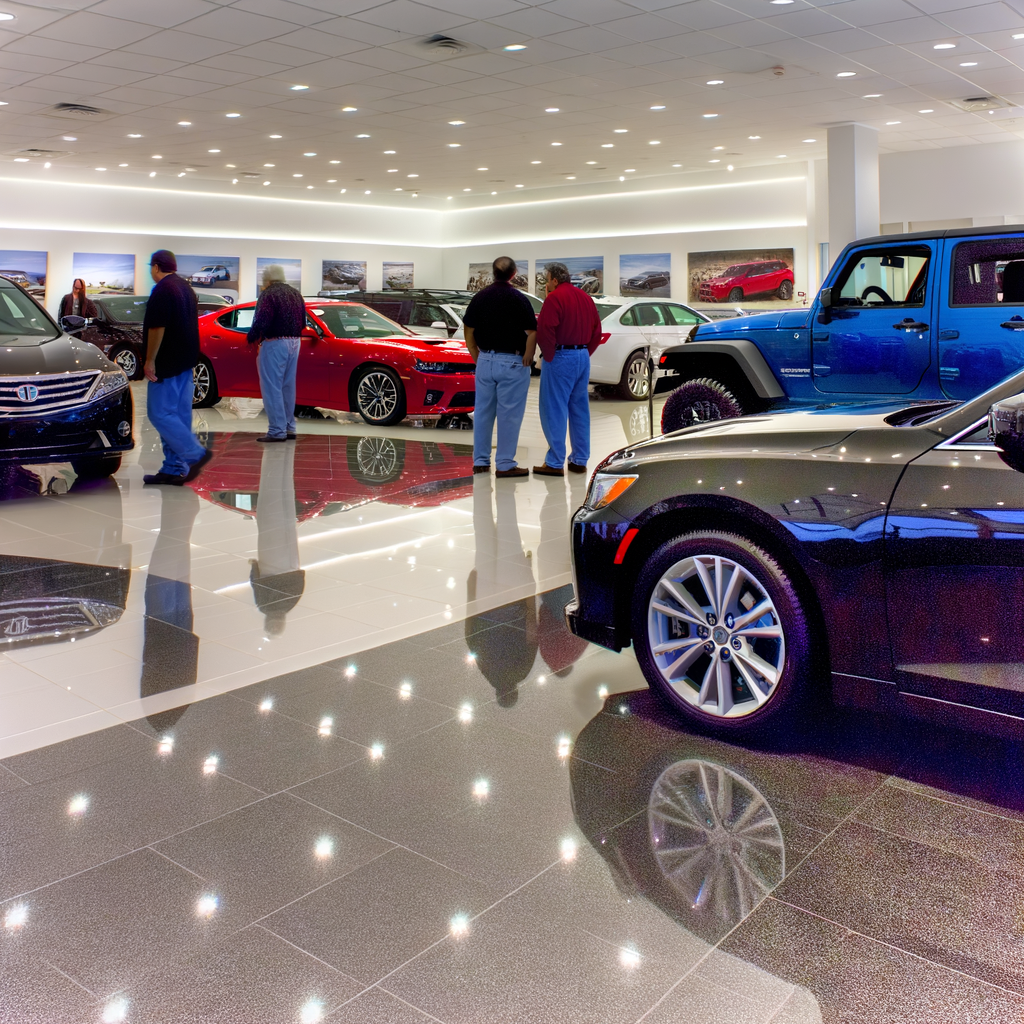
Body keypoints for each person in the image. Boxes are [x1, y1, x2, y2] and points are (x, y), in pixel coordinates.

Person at [463, 256, 537, 478]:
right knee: (510, 415)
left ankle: (480, 461)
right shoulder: (519, 298)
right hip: (512, 363)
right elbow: (532, 331)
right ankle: (504, 463)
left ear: (493, 273)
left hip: (486, 360)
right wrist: (528, 355)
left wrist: (477, 354)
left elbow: (469, 329)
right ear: (513, 274)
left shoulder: (480, 297)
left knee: (483, 413)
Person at [142, 250, 212, 486]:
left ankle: (194, 454)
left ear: (156, 267)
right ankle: (174, 468)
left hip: (168, 362)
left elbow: (156, 328)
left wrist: (150, 359)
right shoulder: (185, 288)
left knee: (159, 412)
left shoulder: (162, 290)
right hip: (186, 361)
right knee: (179, 416)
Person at [533, 262, 603, 477]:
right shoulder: (585, 297)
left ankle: (554, 462)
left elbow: (545, 330)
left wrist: (550, 356)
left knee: (554, 409)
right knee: (579, 409)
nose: (546, 283)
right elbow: (597, 330)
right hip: (582, 356)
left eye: (546, 279)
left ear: (554, 279)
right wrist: (584, 353)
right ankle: (579, 459)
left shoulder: (554, 298)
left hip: (561, 356)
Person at [247, 263, 305, 442]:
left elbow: (261, 321)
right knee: (288, 386)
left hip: (275, 343)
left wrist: (251, 337)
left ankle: (276, 430)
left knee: (272, 387)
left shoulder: (269, 294)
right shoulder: (296, 294)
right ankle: (289, 427)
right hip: (295, 342)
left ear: (268, 280)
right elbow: (303, 322)